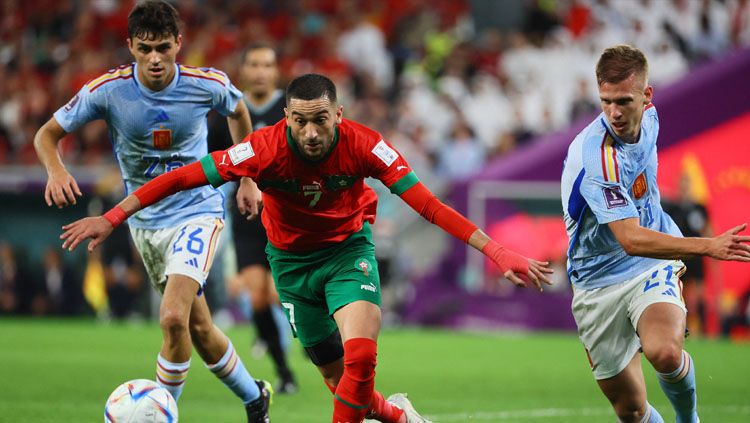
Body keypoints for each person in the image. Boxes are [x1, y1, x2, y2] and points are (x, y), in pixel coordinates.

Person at [60, 73, 554, 423]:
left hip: (346, 253)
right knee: (344, 388)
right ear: (288, 117)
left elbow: (428, 205)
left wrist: (497, 252)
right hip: (292, 267)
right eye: (300, 121)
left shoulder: (366, 145)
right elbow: (187, 176)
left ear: (338, 114)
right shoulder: (265, 148)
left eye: (320, 120)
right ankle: (397, 416)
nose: (311, 133)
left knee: (361, 359)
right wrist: (112, 216)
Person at [33, 1, 271, 421]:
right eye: (145, 49)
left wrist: (247, 177)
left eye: (163, 47)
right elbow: (47, 135)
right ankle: (255, 398)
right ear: (130, 46)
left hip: (198, 210)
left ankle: (159, 413)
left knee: (173, 317)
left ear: (180, 43)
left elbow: (238, 111)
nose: (155, 59)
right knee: (196, 327)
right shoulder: (107, 91)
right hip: (144, 222)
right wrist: (55, 171)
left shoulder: (206, 83)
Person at [561, 44, 750, 423]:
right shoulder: (598, 160)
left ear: (647, 96)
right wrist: (708, 246)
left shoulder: (651, 119)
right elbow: (628, 238)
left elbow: (639, 242)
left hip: (649, 260)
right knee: (630, 411)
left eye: (624, 101)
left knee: (664, 352)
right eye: (605, 101)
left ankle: (689, 419)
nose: (614, 112)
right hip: (597, 280)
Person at [208, 44, 298, 394]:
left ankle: (314, 335)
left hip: (287, 215)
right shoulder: (227, 113)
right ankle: (284, 371)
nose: (261, 71)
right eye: (255, 64)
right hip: (247, 218)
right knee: (259, 298)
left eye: (268, 64)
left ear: (276, 71)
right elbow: (214, 165)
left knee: (283, 295)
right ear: (244, 70)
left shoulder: (290, 111)